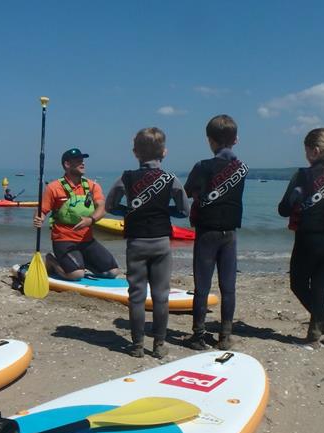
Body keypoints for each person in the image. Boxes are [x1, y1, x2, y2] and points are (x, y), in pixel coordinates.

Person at [106, 127, 190, 358]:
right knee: (161, 295)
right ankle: (159, 344)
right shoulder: (170, 179)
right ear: (164, 152)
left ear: (135, 153)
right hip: (161, 241)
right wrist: (163, 209)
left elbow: (110, 205)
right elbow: (184, 210)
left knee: (136, 295)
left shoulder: (126, 177)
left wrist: (130, 210)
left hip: (136, 242)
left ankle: (137, 345)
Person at [278, 128, 324, 349]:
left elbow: (283, 209)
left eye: (306, 150)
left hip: (308, 240)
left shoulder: (303, 175)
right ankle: (313, 337)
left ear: (315, 151)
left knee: (298, 284)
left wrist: (297, 198)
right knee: (320, 288)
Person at [184, 115, 248, 350]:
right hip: (230, 232)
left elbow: (188, 191)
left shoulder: (202, 166)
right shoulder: (242, 168)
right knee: (228, 286)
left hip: (206, 232)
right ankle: (225, 335)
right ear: (236, 140)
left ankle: (198, 334)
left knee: (202, 285)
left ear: (210, 141)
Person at [33, 148, 120, 280]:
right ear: (67, 164)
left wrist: (91, 220)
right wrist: (38, 218)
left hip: (87, 240)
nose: (82, 163)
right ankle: (52, 260)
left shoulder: (92, 186)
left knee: (112, 272)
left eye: (83, 160)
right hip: (63, 240)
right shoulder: (53, 187)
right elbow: (42, 211)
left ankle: (80, 262)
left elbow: (102, 207)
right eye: (78, 161)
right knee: (76, 275)